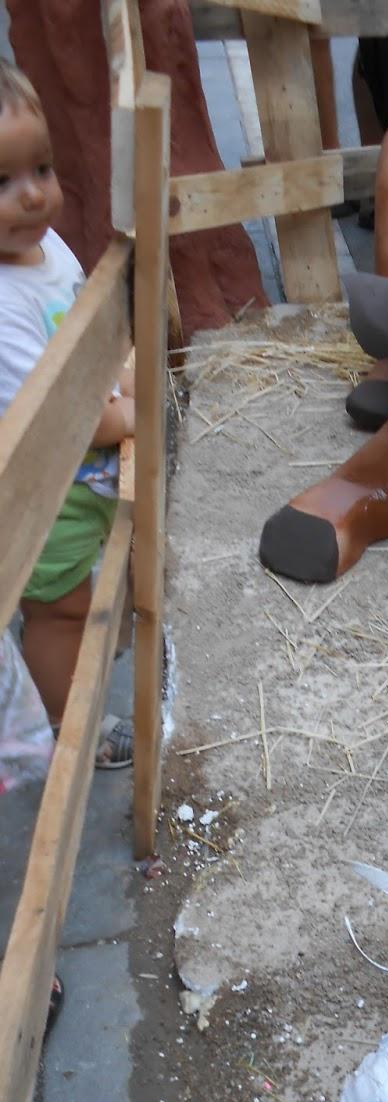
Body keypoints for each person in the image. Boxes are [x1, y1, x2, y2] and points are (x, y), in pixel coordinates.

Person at [0, 60, 136, 764]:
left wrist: (117, 381)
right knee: (57, 610)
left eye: (42, 170)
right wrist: (128, 412)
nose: (31, 197)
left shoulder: (39, 244)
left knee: (88, 597)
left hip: (75, 476)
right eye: (1, 183)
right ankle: (67, 731)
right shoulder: (1, 305)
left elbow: (79, 324)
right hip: (35, 496)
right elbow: (65, 414)